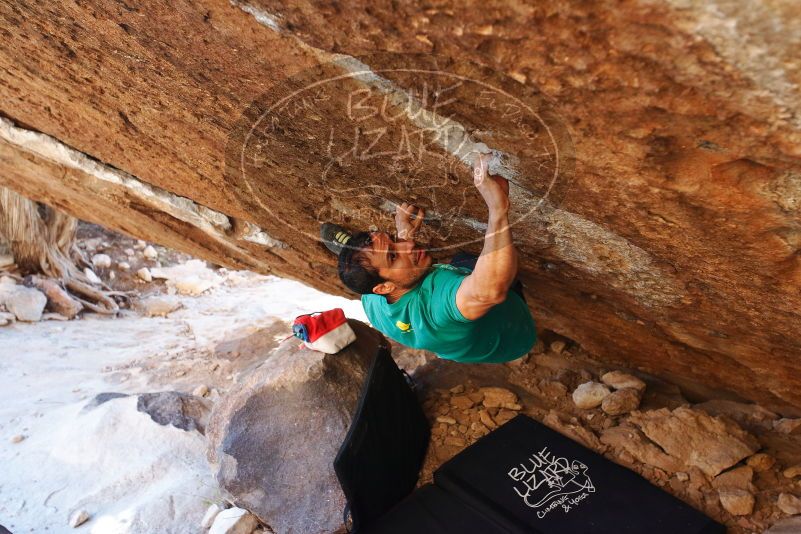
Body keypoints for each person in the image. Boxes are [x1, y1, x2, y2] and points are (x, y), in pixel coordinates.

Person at [321, 153, 536, 363]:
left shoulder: (371, 301)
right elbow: (489, 291)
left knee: (368, 270)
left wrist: (403, 234)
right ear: (384, 288)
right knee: (488, 267)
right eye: (393, 255)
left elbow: (374, 273)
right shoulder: (435, 307)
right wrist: (498, 208)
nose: (410, 245)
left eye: (392, 241)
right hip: (513, 334)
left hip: (465, 346)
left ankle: (346, 251)